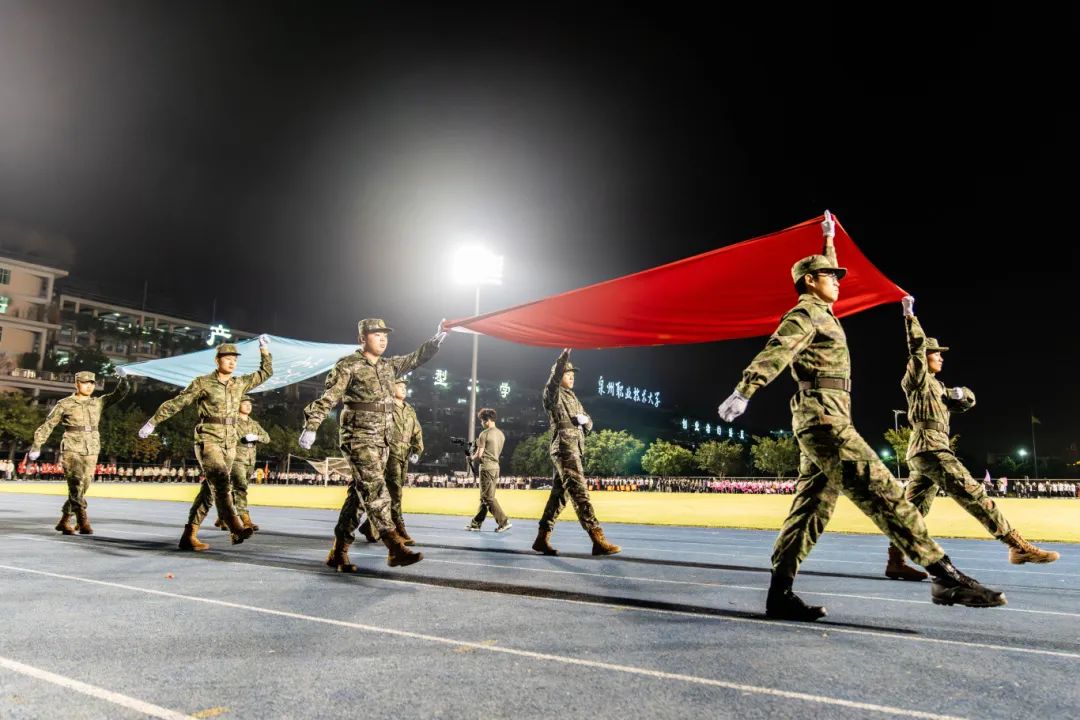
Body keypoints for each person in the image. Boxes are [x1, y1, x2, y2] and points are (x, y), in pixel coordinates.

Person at [717, 210, 1005, 620]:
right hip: (826, 422)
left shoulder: (823, 310)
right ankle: (944, 575)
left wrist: (828, 237)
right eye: (830, 276)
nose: (838, 280)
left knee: (810, 511)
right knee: (884, 491)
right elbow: (778, 348)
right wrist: (745, 390)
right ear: (810, 281)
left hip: (823, 420)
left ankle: (779, 594)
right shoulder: (806, 313)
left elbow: (826, 269)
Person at [883, 296, 1058, 580]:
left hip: (925, 450)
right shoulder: (917, 379)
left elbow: (967, 403)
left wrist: (963, 394)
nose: (941, 357)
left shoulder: (938, 388)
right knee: (973, 494)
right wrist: (909, 316)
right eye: (936, 353)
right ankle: (1017, 546)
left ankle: (895, 560)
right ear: (924, 357)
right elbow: (916, 348)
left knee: (911, 510)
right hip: (931, 448)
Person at [302, 318, 446, 571]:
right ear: (362, 338)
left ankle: (339, 552)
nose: (382, 338)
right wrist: (312, 425)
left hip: (383, 440)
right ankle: (394, 546)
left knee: (358, 498)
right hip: (358, 437)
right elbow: (329, 397)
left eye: (385, 335)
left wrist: (437, 338)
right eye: (376, 334)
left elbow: (416, 358)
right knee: (377, 490)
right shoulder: (349, 365)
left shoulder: (389, 366)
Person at [140, 337, 272, 550]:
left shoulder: (239, 383)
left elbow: (265, 373)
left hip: (229, 443)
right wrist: (153, 422)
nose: (232, 362)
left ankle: (189, 535)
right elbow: (178, 402)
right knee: (221, 481)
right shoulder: (203, 383)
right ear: (217, 360)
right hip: (208, 439)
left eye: (235, 359)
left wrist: (264, 350)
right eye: (227, 358)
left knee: (210, 491)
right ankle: (236, 527)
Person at [532, 348, 620, 556]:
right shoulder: (553, 395)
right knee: (580, 492)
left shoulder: (573, 397)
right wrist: (563, 357)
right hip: (565, 448)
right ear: (559, 375)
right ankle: (597, 539)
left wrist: (585, 421)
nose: (571, 377)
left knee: (559, 497)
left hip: (574, 449)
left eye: (573, 374)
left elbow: (589, 423)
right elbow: (553, 380)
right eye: (567, 373)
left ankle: (542, 538)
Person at [29, 371, 128, 535]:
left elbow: (120, 394)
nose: (89, 386)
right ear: (77, 384)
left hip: (92, 447)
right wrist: (37, 445)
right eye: (84, 382)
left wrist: (123, 379)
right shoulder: (64, 404)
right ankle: (83, 521)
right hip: (72, 447)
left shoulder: (98, 402)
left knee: (84, 485)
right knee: (75, 484)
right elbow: (49, 424)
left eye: (91, 383)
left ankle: (64, 520)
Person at [211, 394, 270, 532]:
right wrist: (240, 440)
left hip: (250, 461)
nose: (248, 406)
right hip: (236, 459)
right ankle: (246, 520)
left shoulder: (254, 423)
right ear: (237, 405)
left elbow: (267, 438)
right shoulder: (231, 421)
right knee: (241, 488)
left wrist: (256, 437)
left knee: (234, 491)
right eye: (245, 404)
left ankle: (223, 518)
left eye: (250, 404)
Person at [379, 377, 423, 545]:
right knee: (395, 493)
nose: (404, 389)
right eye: (399, 386)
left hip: (404, 453)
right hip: (390, 452)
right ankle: (398, 529)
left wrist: (417, 450)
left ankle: (369, 526)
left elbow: (417, 430)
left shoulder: (409, 409)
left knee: (394, 491)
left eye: (405, 387)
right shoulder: (385, 406)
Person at [466, 407, 511, 532]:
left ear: (487, 420)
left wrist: (470, 457)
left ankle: (504, 522)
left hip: (486, 467)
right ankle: (476, 524)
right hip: (496, 467)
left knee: (487, 498)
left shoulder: (484, 434)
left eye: (482, 420)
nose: (481, 423)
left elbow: (479, 455)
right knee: (485, 497)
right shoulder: (501, 434)